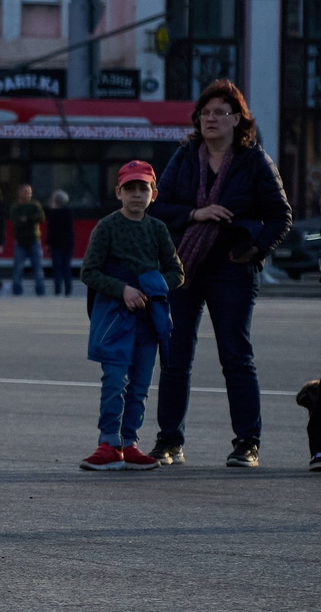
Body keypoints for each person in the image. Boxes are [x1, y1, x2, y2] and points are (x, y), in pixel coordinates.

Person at [147, 79, 290, 468]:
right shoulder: (184, 157)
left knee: (236, 356)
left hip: (232, 266)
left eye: (220, 113)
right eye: (205, 113)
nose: (211, 119)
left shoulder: (254, 160)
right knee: (175, 357)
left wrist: (255, 249)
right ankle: (169, 441)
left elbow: (281, 215)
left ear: (237, 120)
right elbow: (156, 207)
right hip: (185, 268)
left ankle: (247, 443)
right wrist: (196, 213)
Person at [78, 161, 181, 472]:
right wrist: (123, 290)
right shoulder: (107, 226)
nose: (137, 194)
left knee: (139, 384)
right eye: (130, 188)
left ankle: (130, 442)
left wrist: (152, 288)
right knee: (115, 380)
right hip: (113, 316)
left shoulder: (157, 229)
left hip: (149, 317)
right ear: (118, 192)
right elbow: (89, 272)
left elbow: (177, 273)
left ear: (154, 193)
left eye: (143, 188)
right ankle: (108, 443)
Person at [9, 184, 45, 297]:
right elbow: (16, 222)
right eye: (25, 191)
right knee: (18, 268)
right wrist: (29, 219)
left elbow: (40, 217)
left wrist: (26, 219)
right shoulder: (15, 206)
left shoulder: (35, 205)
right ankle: (17, 291)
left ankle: (40, 291)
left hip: (34, 240)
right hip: (20, 241)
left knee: (37, 268)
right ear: (19, 193)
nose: (28, 194)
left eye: (29, 192)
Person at [46, 189, 78, 297]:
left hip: (57, 244)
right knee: (66, 267)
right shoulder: (69, 212)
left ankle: (58, 290)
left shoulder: (53, 213)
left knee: (57, 267)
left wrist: (48, 243)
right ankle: (68, 289)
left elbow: (51, 230)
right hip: (68, 243)